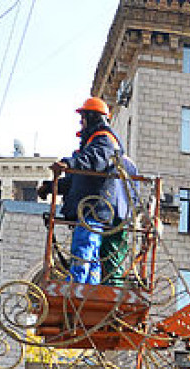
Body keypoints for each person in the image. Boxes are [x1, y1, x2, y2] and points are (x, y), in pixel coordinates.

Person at [38, 97, 134, 284]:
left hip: (94, 208)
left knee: (86, 244)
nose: (81, 123)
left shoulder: (105, 141)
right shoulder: (92, 144)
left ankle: (78, 282)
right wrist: (50, 188)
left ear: (92, 117)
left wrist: (68, 163)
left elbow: (93, 160)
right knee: (91, 250)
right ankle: (89, 283)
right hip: (90, 208)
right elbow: (76, 180)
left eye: (83, 118)